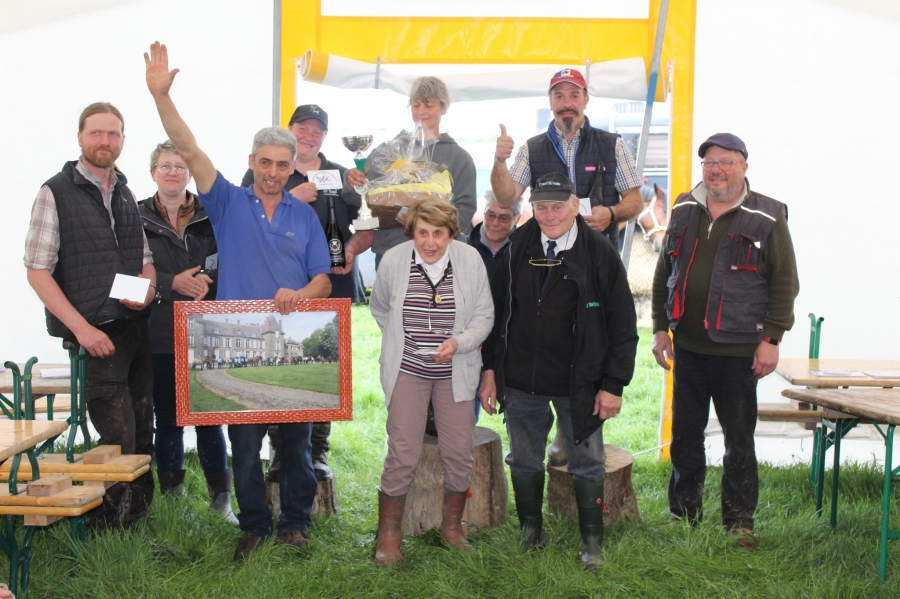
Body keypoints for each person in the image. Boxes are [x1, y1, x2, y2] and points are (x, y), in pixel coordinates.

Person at [145, 42, 332, 560]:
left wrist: (301, 293)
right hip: (237, 348)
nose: (273, 172)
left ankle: (296, 524)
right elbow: (190, 146)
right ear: (252, 162)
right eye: (265, 163)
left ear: (294, 168)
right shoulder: (227, 201)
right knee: (244, 446)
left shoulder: (304, 218)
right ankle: (254, 525)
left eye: (282, 165)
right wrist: (161, 97)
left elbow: (324, 280)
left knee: (295, 446)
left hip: (292, 343)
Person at [480, 173, 638, 570]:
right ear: (531, 207)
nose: (549, 215)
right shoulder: (517, 246)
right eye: (541, 207)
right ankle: (531, 531)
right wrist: (489, 370)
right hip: (521, 381)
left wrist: (613, 385)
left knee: (587, 462)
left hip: (580, 383)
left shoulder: (600, 252)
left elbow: (623, 326)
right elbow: (494, 315)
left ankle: (591, 543)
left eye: (557, 206)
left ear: (574, 206)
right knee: (524, 460)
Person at [651, 133, 799, 549]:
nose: (716, 170)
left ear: (743, 167)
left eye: (726, 162)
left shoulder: (767, 216)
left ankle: (739, 522)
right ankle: (684, 515)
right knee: (684, 435)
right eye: (709, 163)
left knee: (738, 438)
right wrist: (661, 327)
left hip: (738, 351)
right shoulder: (683, 206)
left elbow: (786, 283)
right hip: (689, 347)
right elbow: (666, 272)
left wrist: (771, 339)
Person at [24, 102, 157, 531]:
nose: (105, 142)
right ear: (80, 138)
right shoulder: (55, 191)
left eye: (113, 134)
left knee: (142, 429)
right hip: (93, 335)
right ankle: (109, 532)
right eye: (97, 133)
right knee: (117, 438)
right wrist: (81, 330)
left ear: (122, 140)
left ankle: (136, 522)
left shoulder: (123, 190)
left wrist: (149, 288)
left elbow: (145, 258)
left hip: (134, 328)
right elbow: (37, 269)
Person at [241, 104, 364, 484]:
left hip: (331, 282)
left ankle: (319, 451)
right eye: (303, 129)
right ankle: (281, 451)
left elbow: (368, 221)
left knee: (323, 363)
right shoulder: (266, 170)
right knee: (280, 361)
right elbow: (247, 216)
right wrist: (296, 192)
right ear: (289, 130)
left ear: (325, 137)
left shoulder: (343, 174)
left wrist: (353, 249)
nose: (310, 136)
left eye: (317, 131)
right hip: (279, 286)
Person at [369, 198, 494, 565]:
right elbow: (379, 308)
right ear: (412, 231)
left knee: (458, 449)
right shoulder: (394, 260)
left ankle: (453, 526)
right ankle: (389, 533)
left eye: (439, 233)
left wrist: (458, 343)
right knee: (403, 450)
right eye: (422, 232)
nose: (430, 242)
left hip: (456, 370)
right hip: (408, 369)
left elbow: (484, 316)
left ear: (451, 234)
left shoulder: (469, 260)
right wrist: (402, 341)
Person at [138, 140, 237, 524]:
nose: (173, 172)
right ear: (153, 173)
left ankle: (221, 500)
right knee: (169, 419)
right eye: (165, 165)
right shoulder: (136, 217)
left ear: (190, 172)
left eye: (180, 165)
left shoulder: (212, 214)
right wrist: (169, 283)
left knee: (210, 415)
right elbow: (127, 274)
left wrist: (207, 283)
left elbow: (231, 258)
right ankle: (174, 499)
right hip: (159, 330)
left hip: (205, 329)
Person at [491, 68, 644, 246]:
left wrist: (611, 213)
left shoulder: (613, 145)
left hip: (599, 257)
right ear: (550, 102)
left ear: (585, 100)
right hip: (548, 257)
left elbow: (636, 202)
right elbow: (505, 199)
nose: (567, 104)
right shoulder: (530, 149)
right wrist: (499, 161)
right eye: (559, 96)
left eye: (574, 95)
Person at [340, 76, 477, 271]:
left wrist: (427, 225)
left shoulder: (459, 157)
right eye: (416, 105)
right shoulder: (386, 152)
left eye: (429, 105)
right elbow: (356, 199)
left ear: (444, 108)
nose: (421, 112)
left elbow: (465, 209)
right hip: (390, 252)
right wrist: (353, 181)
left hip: (440, 256)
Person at [467, 190, 522, 279]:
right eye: (491, 215)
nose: (495, 223)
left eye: (504, 218)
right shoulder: (465, 246)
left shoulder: (525, 250)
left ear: (517, 219)